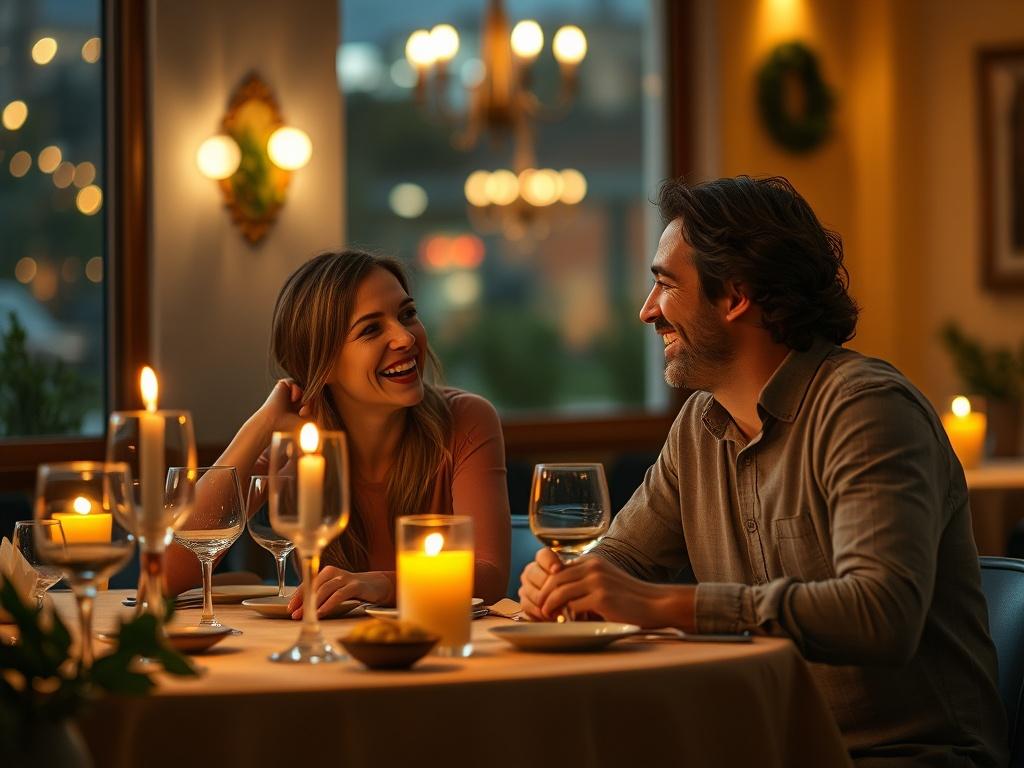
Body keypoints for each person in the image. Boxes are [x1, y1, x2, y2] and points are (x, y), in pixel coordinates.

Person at [519, 176, 1007, 766]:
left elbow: (881, 614)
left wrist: (662, 605)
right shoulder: (701, 424)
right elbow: (622, 559)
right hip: (767, 745)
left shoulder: (866, 409)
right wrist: (567, 581)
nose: (647, 310)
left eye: (665, 284)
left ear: (736, 296)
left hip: (902, 755)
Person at [166, 250, 511, 613]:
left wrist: (378, 584)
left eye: (407, 315)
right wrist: (261, 426)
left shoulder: (466, 420)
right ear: (323, 365)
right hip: (325, 659)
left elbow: (489, 577)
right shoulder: (296, 447)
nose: (405, 338)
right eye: (371, 329)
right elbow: (165, 573)